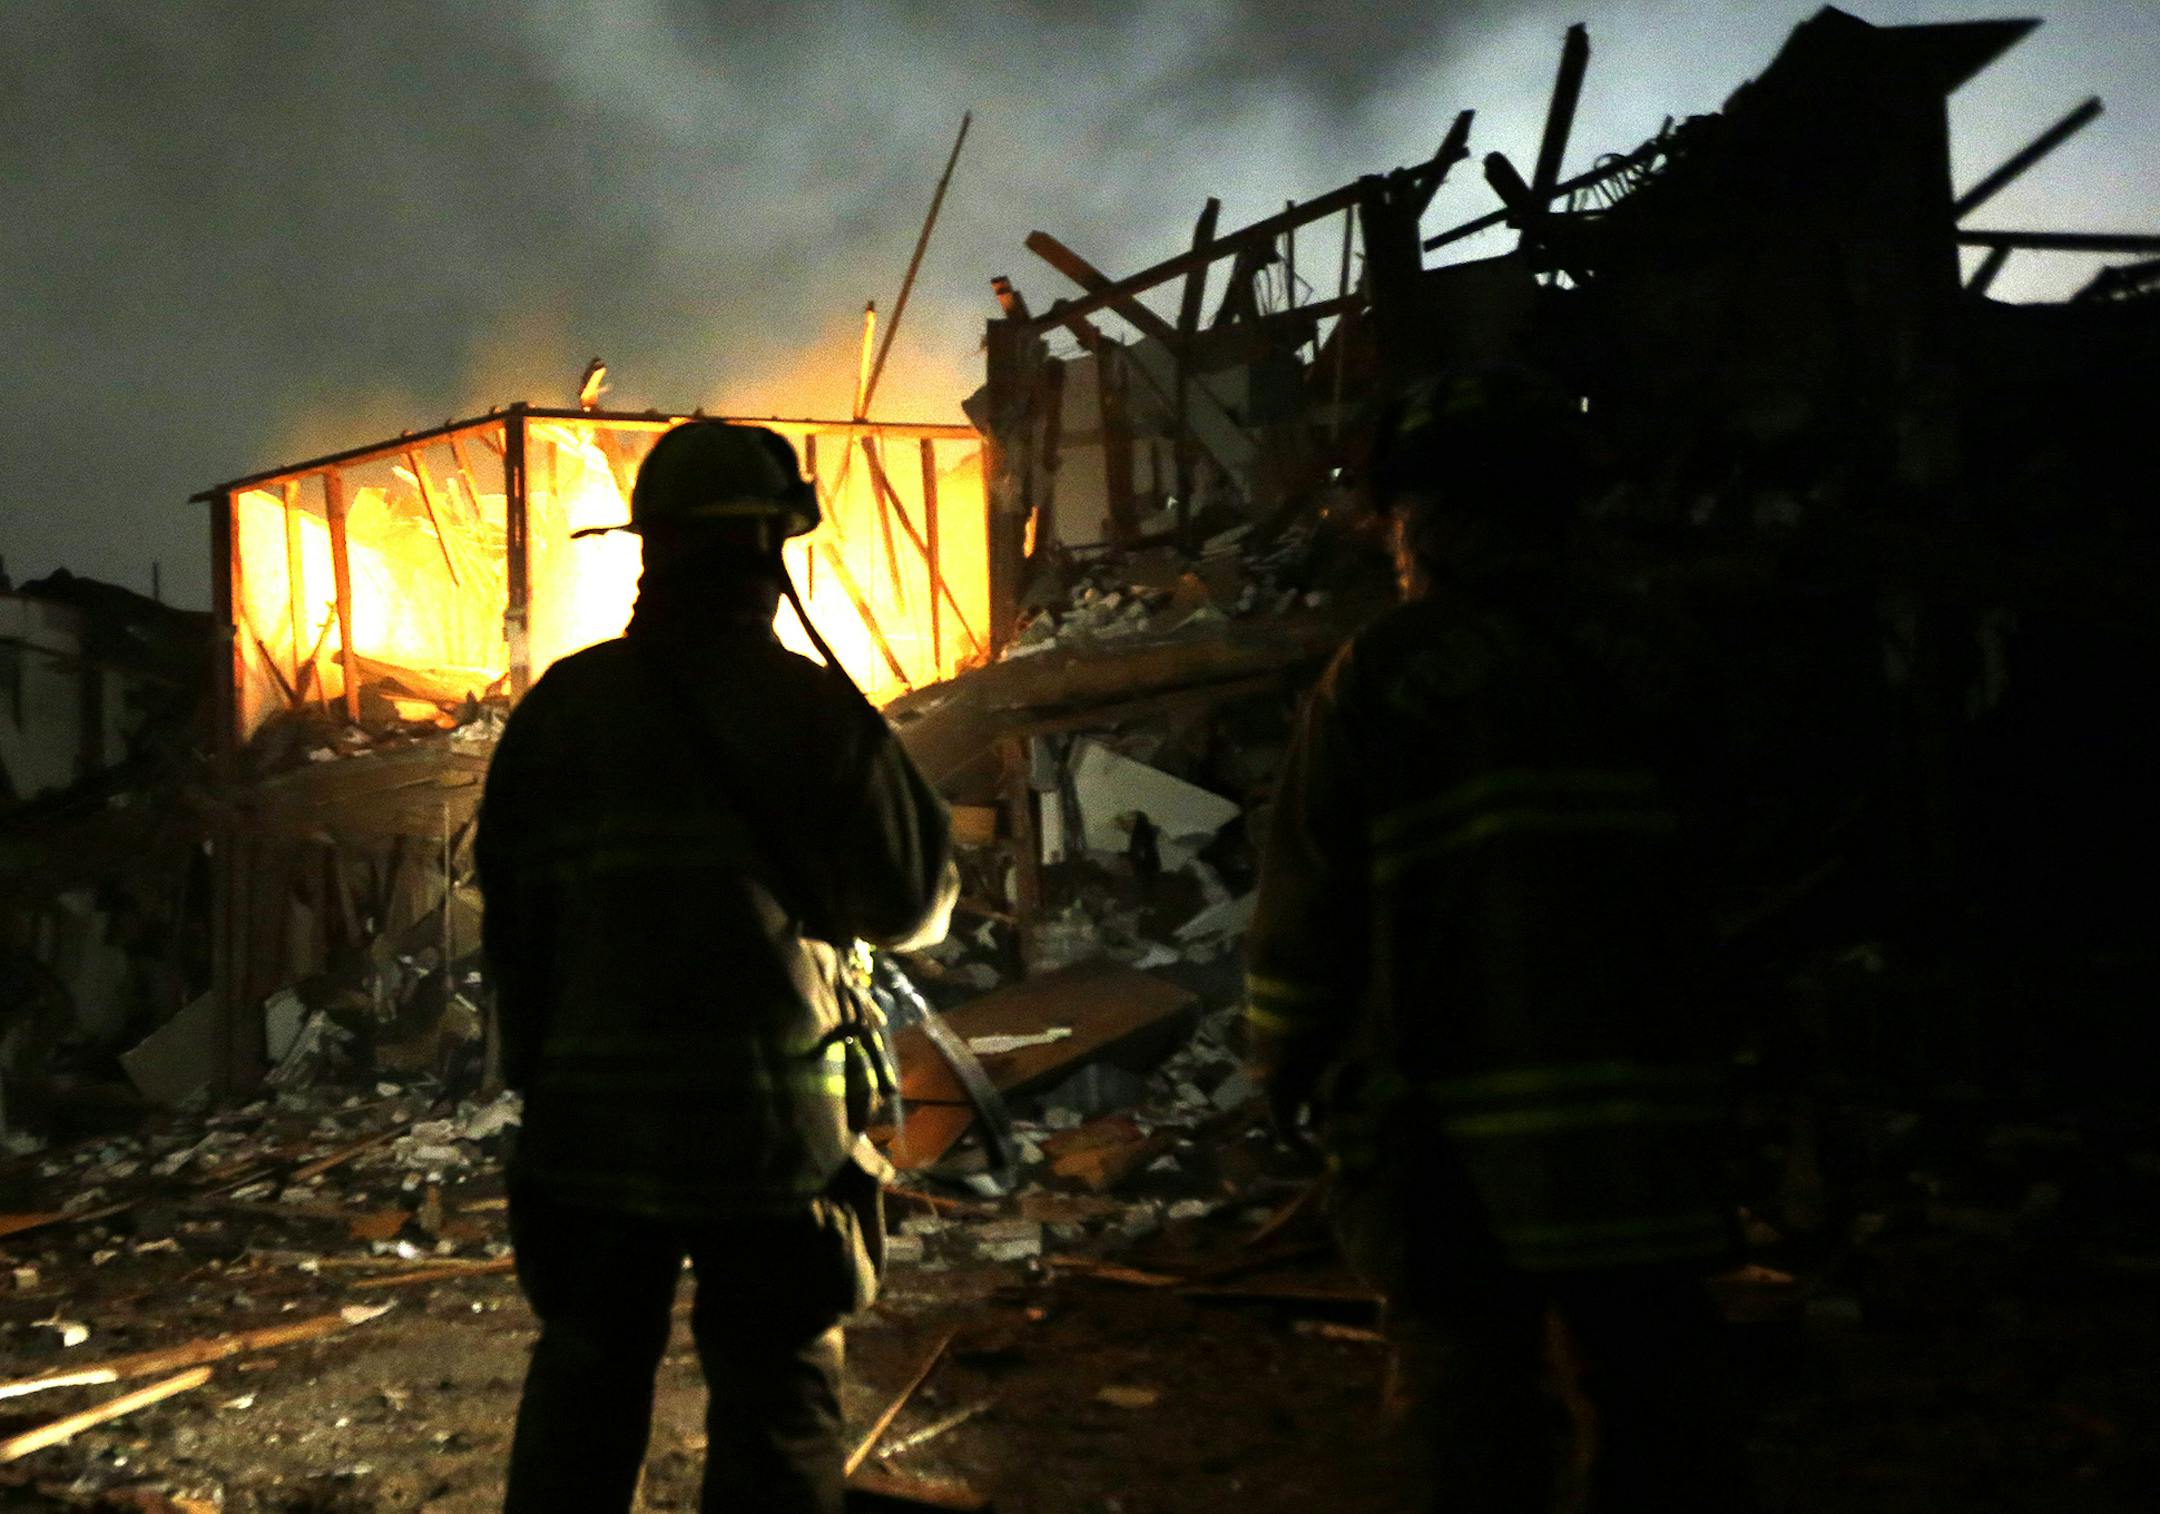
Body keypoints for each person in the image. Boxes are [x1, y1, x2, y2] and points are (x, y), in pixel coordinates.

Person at [1244, 368, 1751, 1511]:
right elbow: (1746, 867)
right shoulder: (1667, 655)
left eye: (1398, 521)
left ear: (1424, 517)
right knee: (1656, 1399)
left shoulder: (1383, 672)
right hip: (1646, 1123)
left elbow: (1308, 909)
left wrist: (1288, 1068)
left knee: (1468, 1409)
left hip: (1449, 1135)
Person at [476, 420, 956, 1514]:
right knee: (779, 1398)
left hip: (593, 1128)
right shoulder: (815, 713)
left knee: (584, 1383)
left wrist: (547, 1081)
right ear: (768, 548)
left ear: (652, 547)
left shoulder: (558, 715)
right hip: (771, 1131)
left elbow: (514, 931)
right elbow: (914, 907)